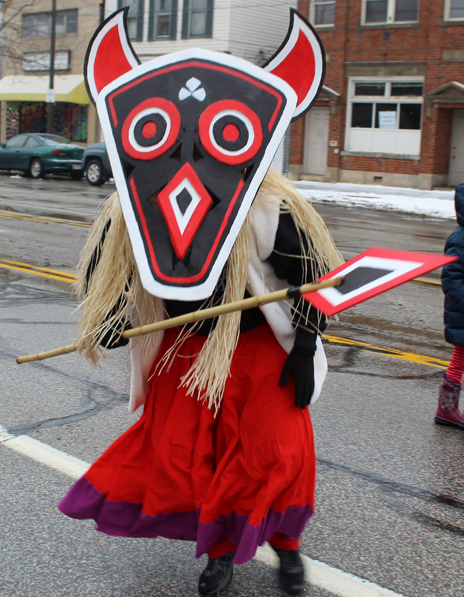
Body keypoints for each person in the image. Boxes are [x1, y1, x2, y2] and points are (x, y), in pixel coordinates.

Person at [58, 8, 344, 594]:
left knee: (272, 455)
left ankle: (287, 545)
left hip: (261, 351)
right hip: (185, 350)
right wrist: (112, 320)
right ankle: (219, 551)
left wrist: (308, 340)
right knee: (188, 457)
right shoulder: (132, 206)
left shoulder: (271, 207)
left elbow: (314, 279)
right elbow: (108, 275)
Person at [437, 183, 464, 430]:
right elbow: (451, 279)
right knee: (459, 360)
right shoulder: (460, 238)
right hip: (463, 313)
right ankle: (446, 409)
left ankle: (447, 410)